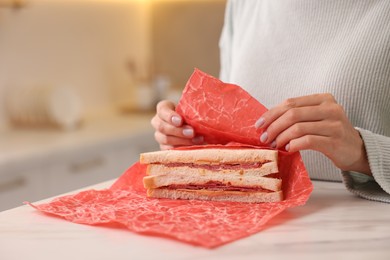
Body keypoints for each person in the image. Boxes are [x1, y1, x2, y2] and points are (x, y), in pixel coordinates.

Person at [150, 1, 390, 203]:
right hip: (247, 230)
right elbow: (228, 136)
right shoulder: (244, 5)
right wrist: (190, 137)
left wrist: (363, 153)